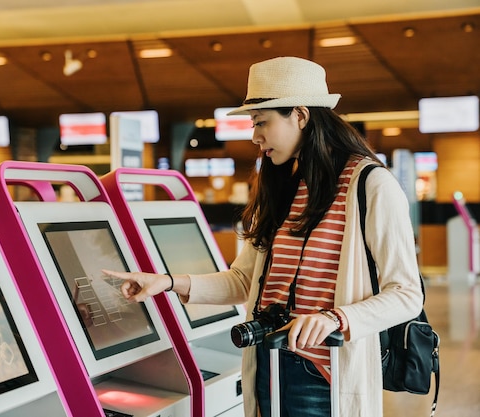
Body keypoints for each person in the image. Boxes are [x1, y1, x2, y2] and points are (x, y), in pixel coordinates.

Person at [103, 56, 423, 417]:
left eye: (261, 122)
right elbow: (243, 280)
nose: (255, 136)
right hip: (267, 363)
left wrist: (334, 319)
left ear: (300, 115)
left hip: (324, 375)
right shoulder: (283, 186)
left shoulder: (369, 185)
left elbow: (407, 294)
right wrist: (167, 282)